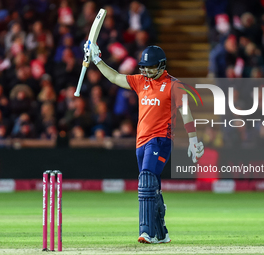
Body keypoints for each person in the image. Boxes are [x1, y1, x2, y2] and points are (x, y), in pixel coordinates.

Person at [84, 41, 204, 243]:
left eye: (151, 67)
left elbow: (186, 112)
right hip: (141, 141)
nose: (147, 71)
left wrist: (193, 139)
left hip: (160, 140)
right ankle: (162, 233)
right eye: (144, 67)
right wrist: (97, 59)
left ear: (162, 66)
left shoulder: (174, 85)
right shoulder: (141, 81)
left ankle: (146, 231)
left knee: (146, 180)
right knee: (151, 185)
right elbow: (115, 77)